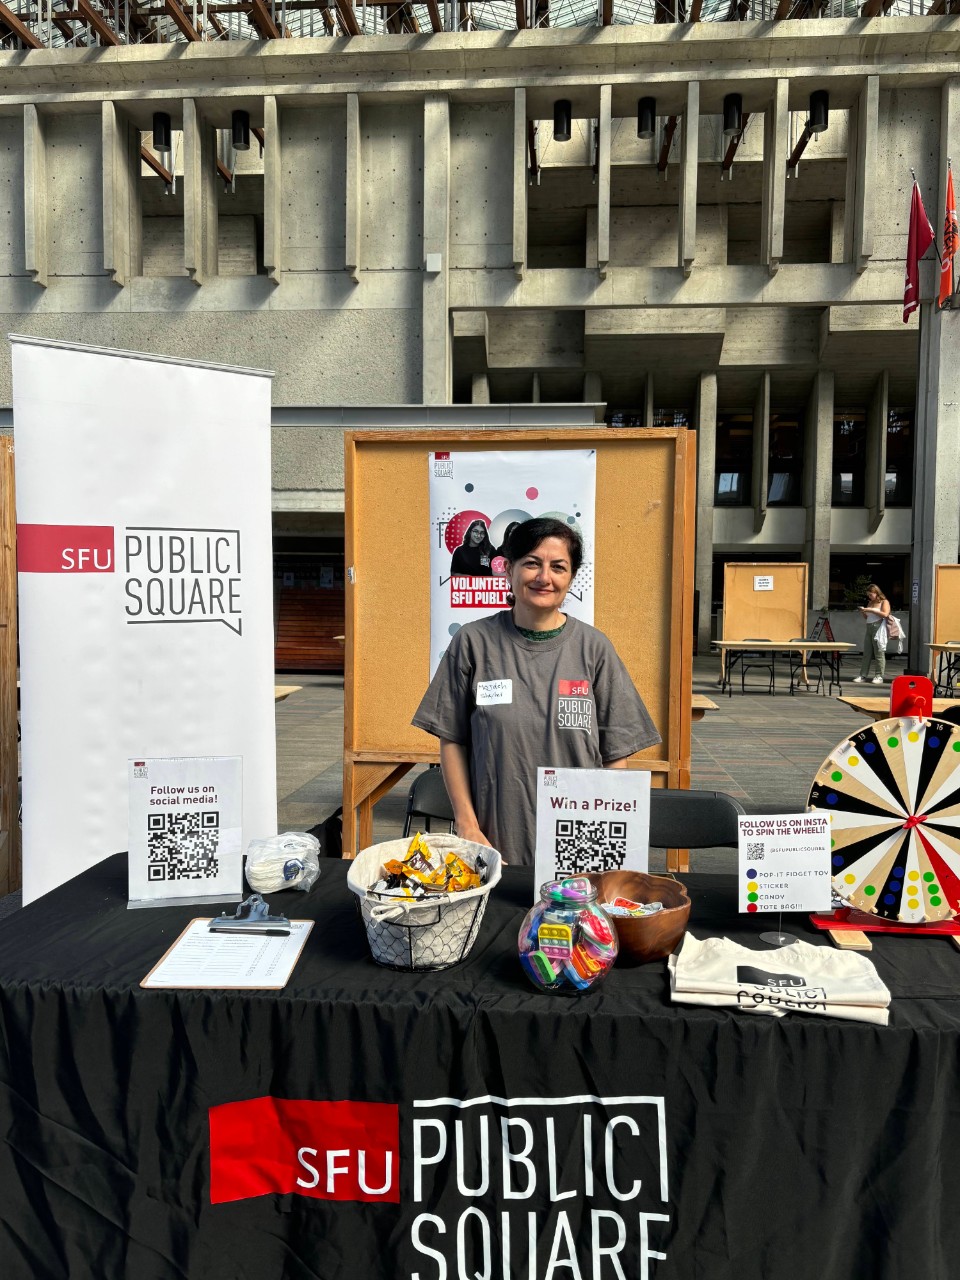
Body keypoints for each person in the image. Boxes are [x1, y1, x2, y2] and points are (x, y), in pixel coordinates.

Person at [413, 517, 660, 865]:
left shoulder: (594, 648)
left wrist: (599, 822)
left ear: (571, 577)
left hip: (579, 842)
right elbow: (452, 739)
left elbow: (616, 749)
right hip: (494, 839)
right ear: (508, 569)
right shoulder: (473, 642)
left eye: (558, 567)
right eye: (531, 563)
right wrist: (467, 825)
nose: (545, 577)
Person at [853, 583, 892, 684]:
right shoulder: (870, 603)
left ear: (876, 593)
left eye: (871, 594)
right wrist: (863, 611)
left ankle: (879, 676)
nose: (869, 596)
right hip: (869, 627)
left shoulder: (884, 602)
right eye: (868, 595)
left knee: (879, 652)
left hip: (879, 627)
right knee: (867, 653)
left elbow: (885, 614)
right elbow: (867, 617)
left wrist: (870, 610)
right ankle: (863, 675)